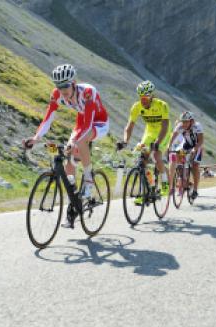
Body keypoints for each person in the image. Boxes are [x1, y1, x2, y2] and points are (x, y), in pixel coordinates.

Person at [23, 64, 109, 227]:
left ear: (74, 83)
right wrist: (35, 138)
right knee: (69, 158)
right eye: (59, 86)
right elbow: (48, 118)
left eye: (65, 85)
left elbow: (89, 122)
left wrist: (75, 142)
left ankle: (89, 179)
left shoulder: (88, 92)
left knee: (80, 141)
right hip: (82, 123)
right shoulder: (57, 94)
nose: (62, 90)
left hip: (98, 122)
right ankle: (75, 200)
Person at [117, 80, 171, 202]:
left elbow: (165, 126)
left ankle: (165, 183)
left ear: (151, 95)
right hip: (150, 131)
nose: (143, 99)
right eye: (141, 96)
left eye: (146, 96)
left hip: (163, 132)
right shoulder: (136, 107)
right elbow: (129, 126)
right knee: (142, 160)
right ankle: (147, 190)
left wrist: (157, 142)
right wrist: (125, 141)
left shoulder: (162, 105)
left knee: (157, 157)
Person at [167, 111, 204, 200]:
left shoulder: (197, 126)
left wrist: (195, 149)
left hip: (197, 146)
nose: (184, 124)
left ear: (191, 121)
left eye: (186, 122)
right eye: (182, 121)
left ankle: (195, 189)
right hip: (186, 146)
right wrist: (169, 146)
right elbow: (173, 136)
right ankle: (183, 178)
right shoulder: (180, 126)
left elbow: (201, 141)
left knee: (195, 165)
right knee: (178, 156)